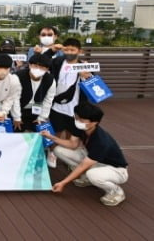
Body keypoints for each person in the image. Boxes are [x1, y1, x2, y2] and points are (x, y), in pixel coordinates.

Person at [42, 103, 128, 206]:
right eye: (77, 118)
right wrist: (51, 137)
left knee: (92, 174)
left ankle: (116, 191)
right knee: (58, 150)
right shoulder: (81, 128)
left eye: (82, 120)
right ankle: (88, 178)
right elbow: (72, 144)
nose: (78, 121)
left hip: (116, 170)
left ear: (94, 123)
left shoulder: (101, 141)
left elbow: (83, 165)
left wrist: (63, 183)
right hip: (94, 160)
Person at [46, 38, 92, 167]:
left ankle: (67, 156)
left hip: (76, 109)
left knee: (73, 134)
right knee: (56, 132)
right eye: (66, 49)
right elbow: (41, 61)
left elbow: (93, 88)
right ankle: (52, 153)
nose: (69, 52)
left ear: (79, 51)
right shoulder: (57, 62)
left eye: (73, 49)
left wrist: (85, 78)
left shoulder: (85, 66)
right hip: (57, 106)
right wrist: (51, 51)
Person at [13, 54, 56, 132]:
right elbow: (13, 98)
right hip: (18, 109)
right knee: (16, 132)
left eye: (42, 67)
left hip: (36, 111)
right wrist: (16, 117)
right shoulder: (17, 77)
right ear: (29, 65)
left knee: (43, 136)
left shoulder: (50, 80)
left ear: (47, 69)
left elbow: (48, 100)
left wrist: (42, 117)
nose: (38, 69)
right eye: (35, 66)